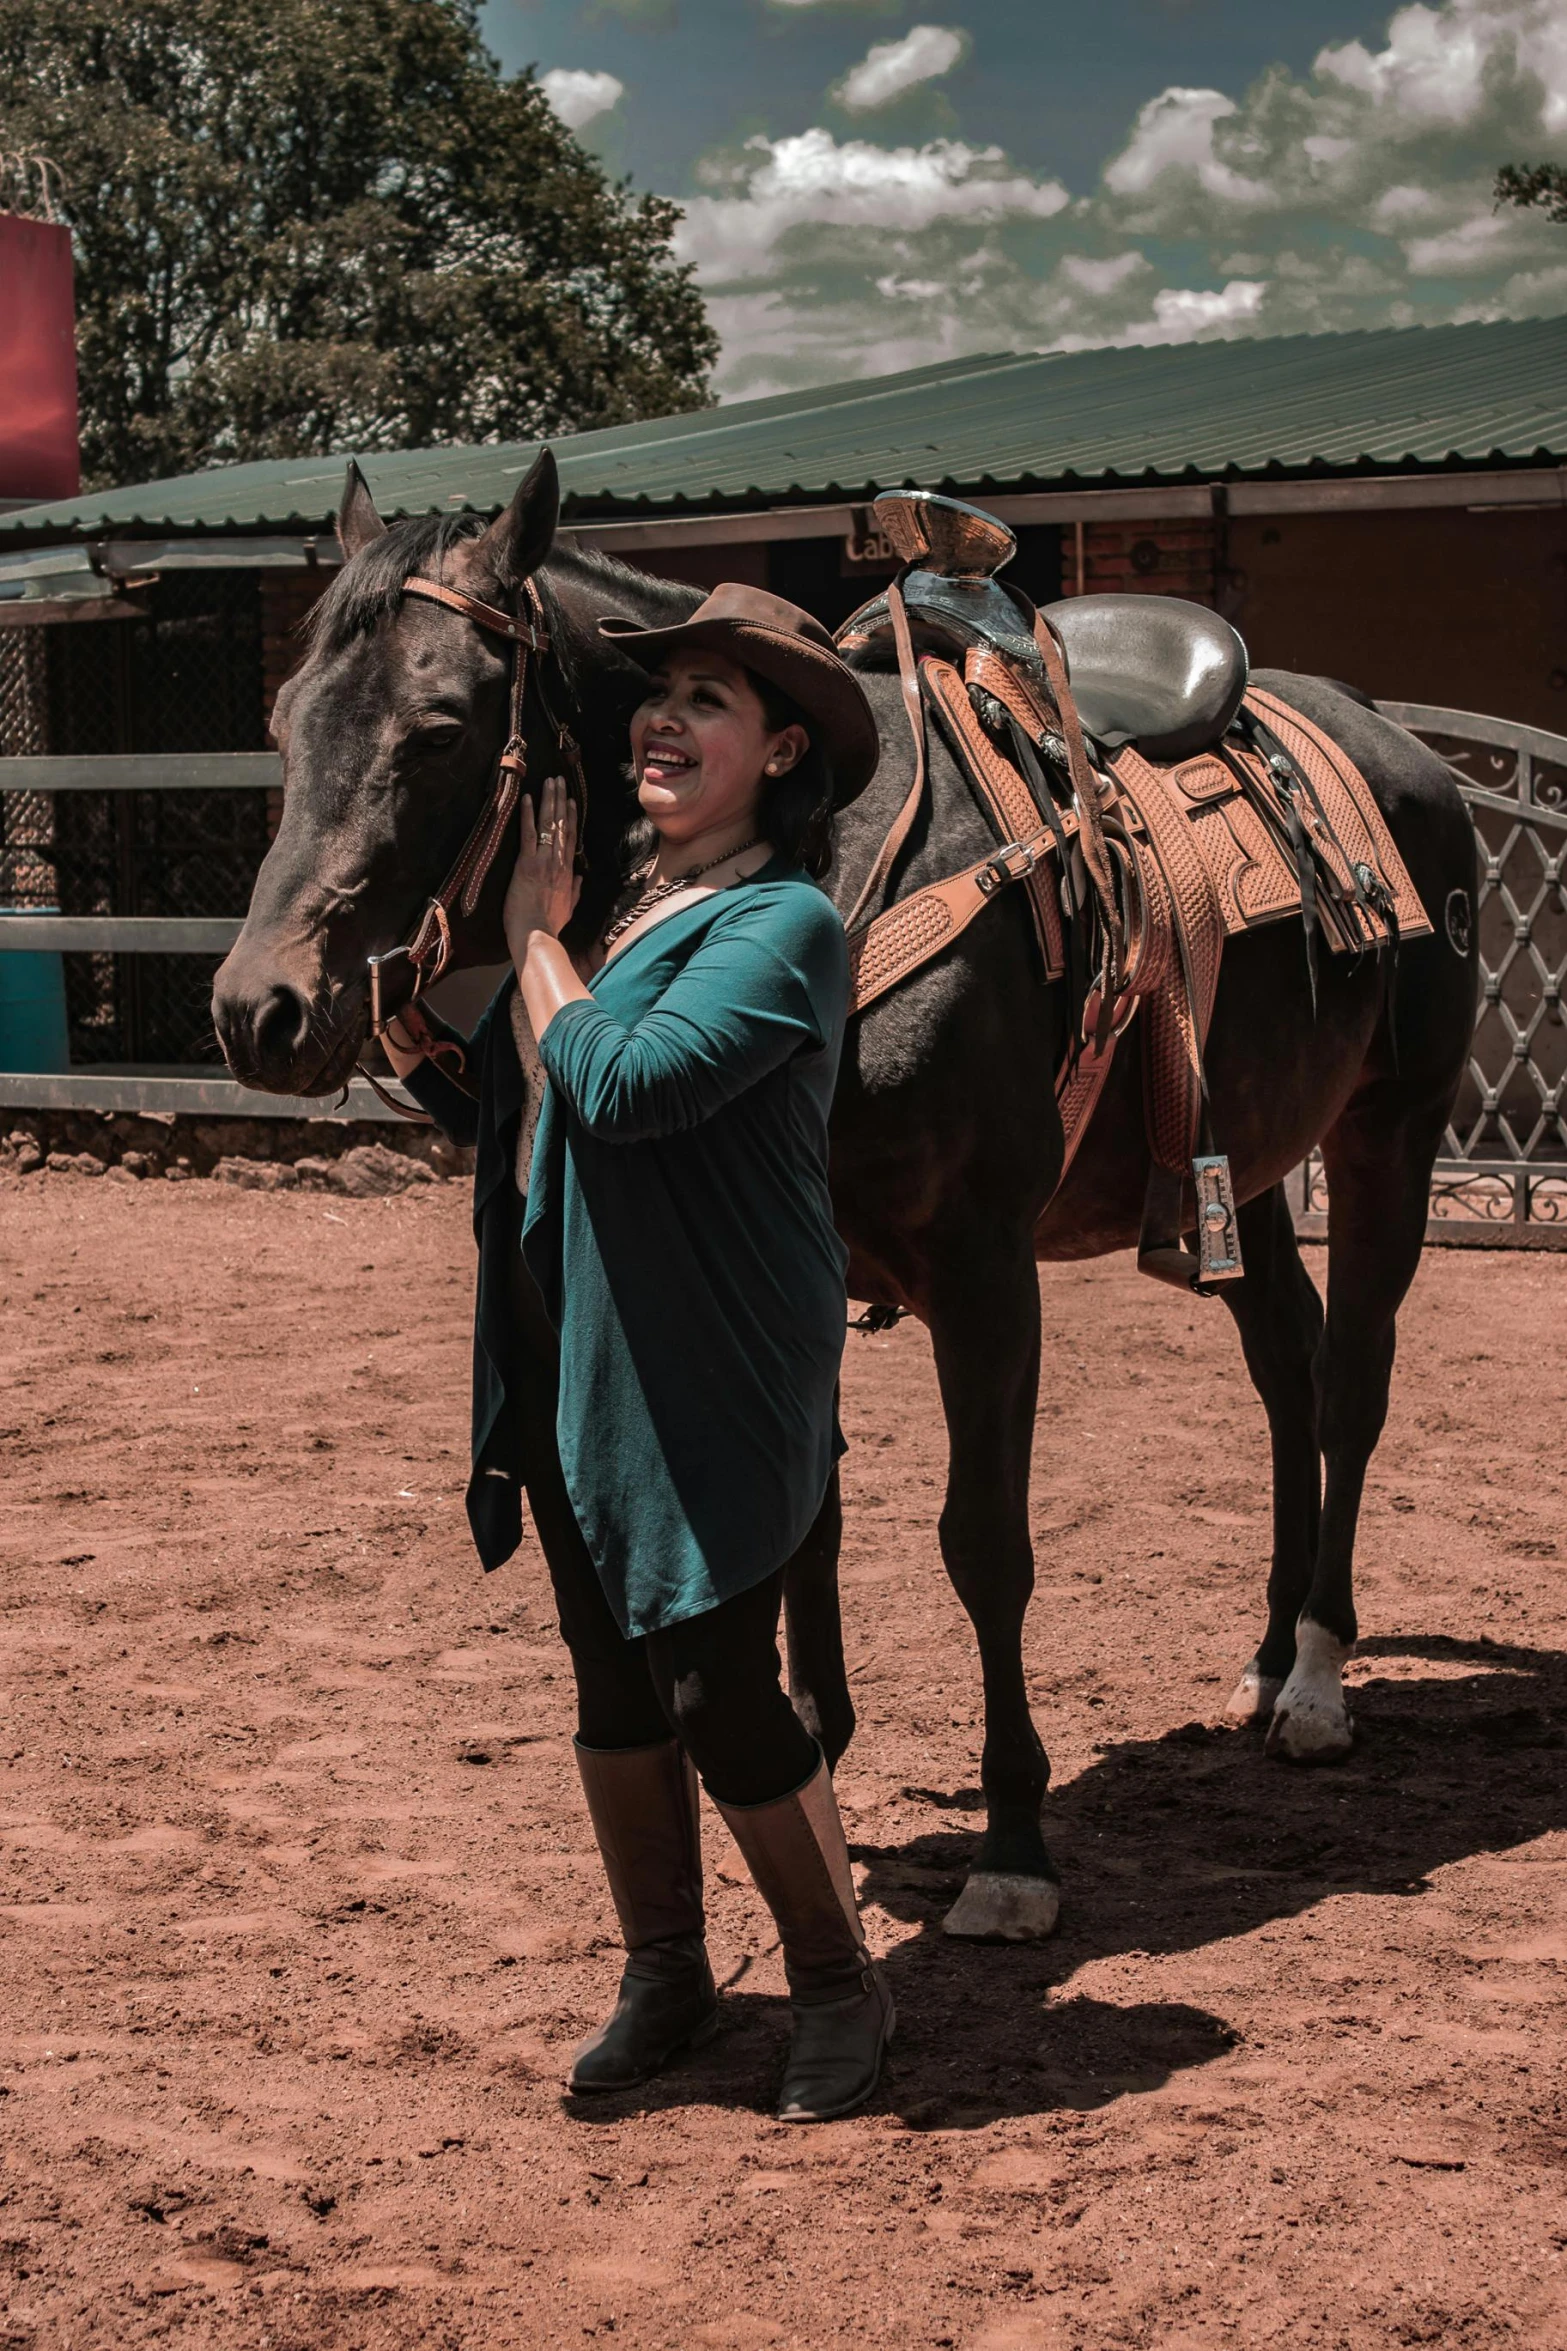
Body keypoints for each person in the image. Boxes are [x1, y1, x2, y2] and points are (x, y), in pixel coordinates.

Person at [384, 584, 891, 2123]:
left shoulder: (784, 923)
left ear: (783, 748)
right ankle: (665, 1969)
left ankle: (835, 1977)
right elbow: (542, 1103)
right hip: (572, 1339)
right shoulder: (625, 914)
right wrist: (442, 1050)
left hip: (715, 1352)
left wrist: (534, 944)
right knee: (613, 1684)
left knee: (718, 1688)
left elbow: (628, 1084)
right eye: (658, 695)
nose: (665, 721)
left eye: (712, 701)